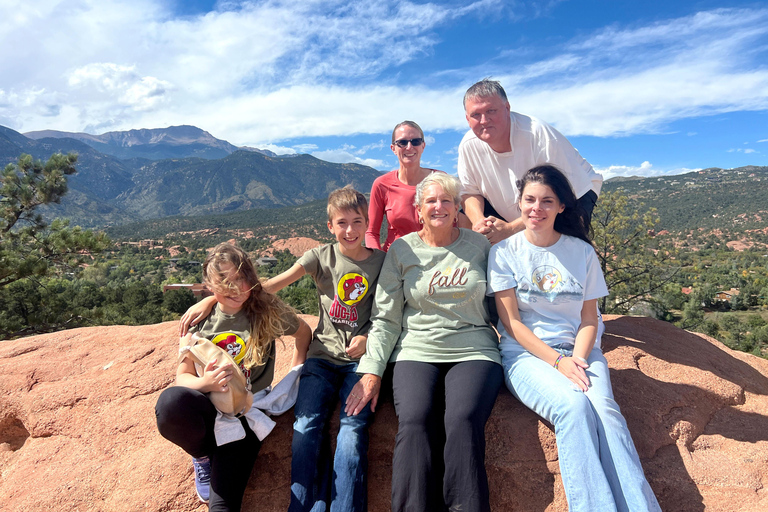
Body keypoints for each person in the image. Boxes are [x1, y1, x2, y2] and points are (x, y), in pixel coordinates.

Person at [179, 188, 386, 512]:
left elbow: (391, 314)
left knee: (351, 431)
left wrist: (370, 338)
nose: (350, 230)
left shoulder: (380, 263)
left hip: (359, 362)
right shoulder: (320, 257)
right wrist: (214, 297)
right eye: (342, 222)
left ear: (368, 222)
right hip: (321, 358)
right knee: (305, 429)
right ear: (330, 226)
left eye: (357, 222)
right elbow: (268, 286)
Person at [487, 166, 661, 512]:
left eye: (546, 201)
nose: (536, 208)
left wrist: (578, 358)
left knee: (607, 413)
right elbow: (513, 324)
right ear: (519, 203)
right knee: (573, 407)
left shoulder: (581, 252)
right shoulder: (504, 252)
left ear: (561, 207)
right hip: (526, 355)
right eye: (530, 200)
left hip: (580, 351)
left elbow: (588, 319)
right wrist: (558, 362)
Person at [346, 173, 503, 512]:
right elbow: (386, 318)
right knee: (415, 420)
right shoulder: (402, 251)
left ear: (458, 207)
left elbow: (501, 306)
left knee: (461, 419)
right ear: (418, 210)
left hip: (473, 348)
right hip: (416, 348)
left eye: (446, 200)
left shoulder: (479, 247)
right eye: (431, 201)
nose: (439, 206)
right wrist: (371, 371)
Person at [155, 242, 312, 512]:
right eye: (224, 281)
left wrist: (295, 375)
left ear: (250, 278)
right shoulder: (198, 323)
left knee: (222, 506)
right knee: (170, 403)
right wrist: (206, 383)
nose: (234, 287)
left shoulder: (265, 311)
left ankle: (218, 459)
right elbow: (183, 377)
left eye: (240, 278)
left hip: (246, 413)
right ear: (209, 284)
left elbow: (304, 333)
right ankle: (202, 455)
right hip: (209, 406)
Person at [458, 78, 603, 244]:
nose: (484, 120)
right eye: (476, 114)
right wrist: (479, 223)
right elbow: (469, 191)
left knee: (560, 250)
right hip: (515, 204)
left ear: (507, 108)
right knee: (464, 214)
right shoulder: (468, 145)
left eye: (491, 111)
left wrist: (511, 229)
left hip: (572, 195)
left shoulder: (537, 135)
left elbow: (558, 195)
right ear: (468, 120)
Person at [366, 120, 468, 251]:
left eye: (415, 142)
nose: (409, 147)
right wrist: (377, 262)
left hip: (438, 256)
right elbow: (371, 232)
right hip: (396, 260)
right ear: (393, 148)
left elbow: (455, 221)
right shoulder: (381, 185)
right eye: (402, 142)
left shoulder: (440, 180)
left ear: (423, 146)